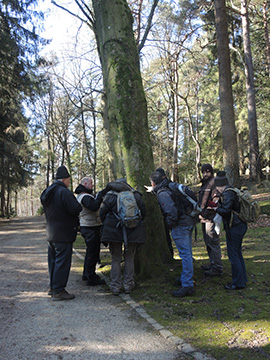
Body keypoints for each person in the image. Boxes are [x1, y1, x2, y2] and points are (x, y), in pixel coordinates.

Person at [150, 171, 196, 298]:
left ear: (153, 183)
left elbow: (172, 212)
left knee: (185, 254)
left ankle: (187, 285)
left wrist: (169, 225)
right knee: (187, 253)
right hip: (188, 221)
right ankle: (185, 278)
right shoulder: (170, 186)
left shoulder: (163, 193)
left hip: (180, 225)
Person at [40, 165, 82, 301]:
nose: (69, 183)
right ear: (64, 179)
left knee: (53, 261)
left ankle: (53, 287)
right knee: (62, 263)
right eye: (69, 180)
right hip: (63, 233)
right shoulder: (63, 192)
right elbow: (76, 208)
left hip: (51, 233)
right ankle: (59, 291)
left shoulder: (48, 192)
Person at [99, 179, 146, 296]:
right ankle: (128, 285)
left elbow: (102, 213)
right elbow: (143, 213)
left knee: (116, 258)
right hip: (133, 230)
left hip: (113, 232)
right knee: (129, 258)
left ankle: (115, 286)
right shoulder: (135, 195)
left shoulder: (110, 196)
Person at [214, 171, 248, 290]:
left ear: (220, 185)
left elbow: (226, 211)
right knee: (238, 253)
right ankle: (242, 279)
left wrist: (215, 208)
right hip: (239, 225)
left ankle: (238, 283)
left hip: (235, 227)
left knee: (233, 255)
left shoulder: (228, 194)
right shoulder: (232, 191)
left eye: (217, 187)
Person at [75, 177, 108, 286]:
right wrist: (99, 196)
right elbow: (94, 207)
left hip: (89, 226)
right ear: (85, 184)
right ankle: (91, 277)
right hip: (90, 227)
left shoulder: (82, 196)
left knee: (91, 251)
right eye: (91, 183)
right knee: (92, 253)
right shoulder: (84, 197)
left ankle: (87, 274)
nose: (92, 185)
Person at [198, 164, 223, 276]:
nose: (205, 174)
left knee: (213, 242)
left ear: (211, 172)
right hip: (204, 218)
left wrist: (206, 213)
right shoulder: (204, 183)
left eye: (207, 171)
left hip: (211, 218)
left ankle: (217, 268)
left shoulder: (214, 183)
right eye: (203, 172)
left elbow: (215, 202)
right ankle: (212, 263)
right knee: (207, 242)